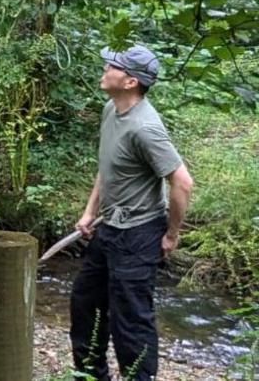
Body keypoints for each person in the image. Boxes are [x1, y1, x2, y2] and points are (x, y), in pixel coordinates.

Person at [69, 44, 194, 381]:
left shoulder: (145, 128)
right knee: (85, 304)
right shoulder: (112, 109)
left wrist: (171, 234)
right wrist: (89, 211)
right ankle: (91, 376)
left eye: (114, 65)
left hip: (138, 235)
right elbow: (108, 167)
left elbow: (181, 182)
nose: (106, 66)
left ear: (130, 82)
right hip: (108, 227)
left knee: (130, 321)